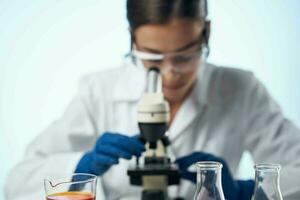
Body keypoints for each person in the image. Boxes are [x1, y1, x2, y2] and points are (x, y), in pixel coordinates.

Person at [5, 0, 300, 199]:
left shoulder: (240, 89)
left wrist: (245, 190)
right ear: (133, 40)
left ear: (206, 34)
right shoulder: (99, 91)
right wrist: (82, 167)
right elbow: (17, 182)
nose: (171, 73)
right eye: (153, 57)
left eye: (185, 56)